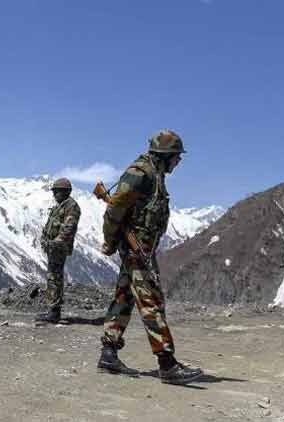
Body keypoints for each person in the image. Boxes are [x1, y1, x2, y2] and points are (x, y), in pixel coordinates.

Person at [97, 129, 204, 384]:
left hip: (141, 249)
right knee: (151, 301)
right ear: (165, 156)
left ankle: (108, 352)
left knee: (124, 297)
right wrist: (110, 242)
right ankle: (166, 364)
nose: (178, 162)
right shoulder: (141, 174)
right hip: (136, 249)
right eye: (176, 157)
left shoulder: (154, 175)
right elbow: (114, 211)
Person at [36, 178, 81, 323]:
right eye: (54, 191)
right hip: (53, 247)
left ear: (66, 192)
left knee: (54, 277)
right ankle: (52, 309)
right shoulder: (60, 206)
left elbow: (68, 228)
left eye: (57, 191)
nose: (54, 194)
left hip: (58, 248)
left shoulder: (71, 207)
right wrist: (45, 239)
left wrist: (55, 243)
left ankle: (54, 312)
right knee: (52, 276)